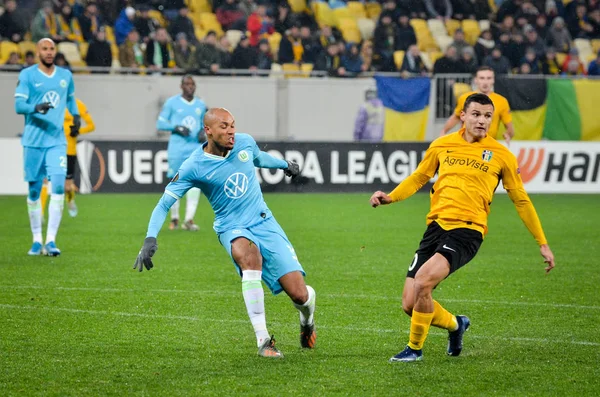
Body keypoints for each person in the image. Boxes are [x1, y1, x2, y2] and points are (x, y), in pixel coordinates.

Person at [369, 93, 555, 363]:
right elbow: (420, 176)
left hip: (468, 231)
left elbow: (521, 200)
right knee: (410, 303)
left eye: (488, 116)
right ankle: (457, 325)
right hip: (435, 228)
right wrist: (391, 196)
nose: (482, 121)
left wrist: (542, 242)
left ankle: (414, 350)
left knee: (423, 282)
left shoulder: (501, 154)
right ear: (463, 116)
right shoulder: (442, 145)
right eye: (476, 114)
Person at [134, 107, 316, 358]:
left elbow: (259, 158)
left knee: (300, 294)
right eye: (224, 126)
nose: (231, 131)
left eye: (233, 125)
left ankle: (307, 321)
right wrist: (150, 238)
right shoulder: (194, 166)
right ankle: (264, 341)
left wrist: (286, 165)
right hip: (231, 226)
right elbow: (164, 203)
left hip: (264, 222)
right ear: (208, 131)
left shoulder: (244, 142)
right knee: (250, 259)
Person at [14, 38, 80, 256]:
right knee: (34, 190)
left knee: (59, 187)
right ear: (38, 51)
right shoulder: (27, 75)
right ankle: (36, 240)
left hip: (56, 141)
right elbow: (18, 105)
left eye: (52, 48)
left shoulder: (65, 76)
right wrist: (36, 107)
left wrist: (76, 116)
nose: (49, 52)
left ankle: (51, 240)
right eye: (45, 49)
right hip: (33, 141)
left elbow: (70, 100)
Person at [156, 75, 207, 231]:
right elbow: (160, 123)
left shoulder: (200, 104)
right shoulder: (172, 103)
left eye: (192, 84)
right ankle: (175, 218)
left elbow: (206, 124)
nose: (190, 87)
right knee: (176, 182)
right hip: (177, 149)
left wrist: (203, 131)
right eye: (187, 84)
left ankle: (189, 219)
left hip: (195, 149)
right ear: (181, 86)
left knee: (195, 182)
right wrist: (176, 127)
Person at [441, 66, 514, 142]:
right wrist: (443, 131)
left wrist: (508, 134)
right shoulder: (465, 98)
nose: (485, 82)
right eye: (482, 78)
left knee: (488, 154)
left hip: (487, 146)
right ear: (476, 80)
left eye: (489, 78)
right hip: (466, 144)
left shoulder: (501, 101)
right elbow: (456, 117)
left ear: (493, 80)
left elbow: (510, 128)